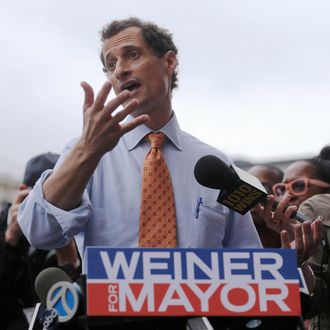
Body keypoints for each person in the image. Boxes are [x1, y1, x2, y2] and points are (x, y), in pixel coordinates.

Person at [18, 17, 262, 272]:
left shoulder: (218, 165)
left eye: (132, 55)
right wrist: (86, 152)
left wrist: (295, 263)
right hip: (110, 310)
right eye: (110, 64)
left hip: (200, 312)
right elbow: (40, 233)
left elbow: (249, 262)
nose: (119, 70)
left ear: (169, 62)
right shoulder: (85, 153)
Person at [0, 152, 81, 329]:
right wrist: (11, 238)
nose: (46, 213)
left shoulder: (76, 226)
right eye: (39, 201)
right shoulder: (3, 225)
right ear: (22, 192)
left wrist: (68, 258)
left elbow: (72, 308)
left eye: (58, 201)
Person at [258, 146, 330, 329]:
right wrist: (296, 260)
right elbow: (315, 300)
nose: (287, 196)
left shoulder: (314, 206)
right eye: (282, 189)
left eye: (298, 186)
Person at [247, 164, 283, 248]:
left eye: (264, 189)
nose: (253, 195)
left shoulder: (293, 235)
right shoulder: (227, 235)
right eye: (247, 187)